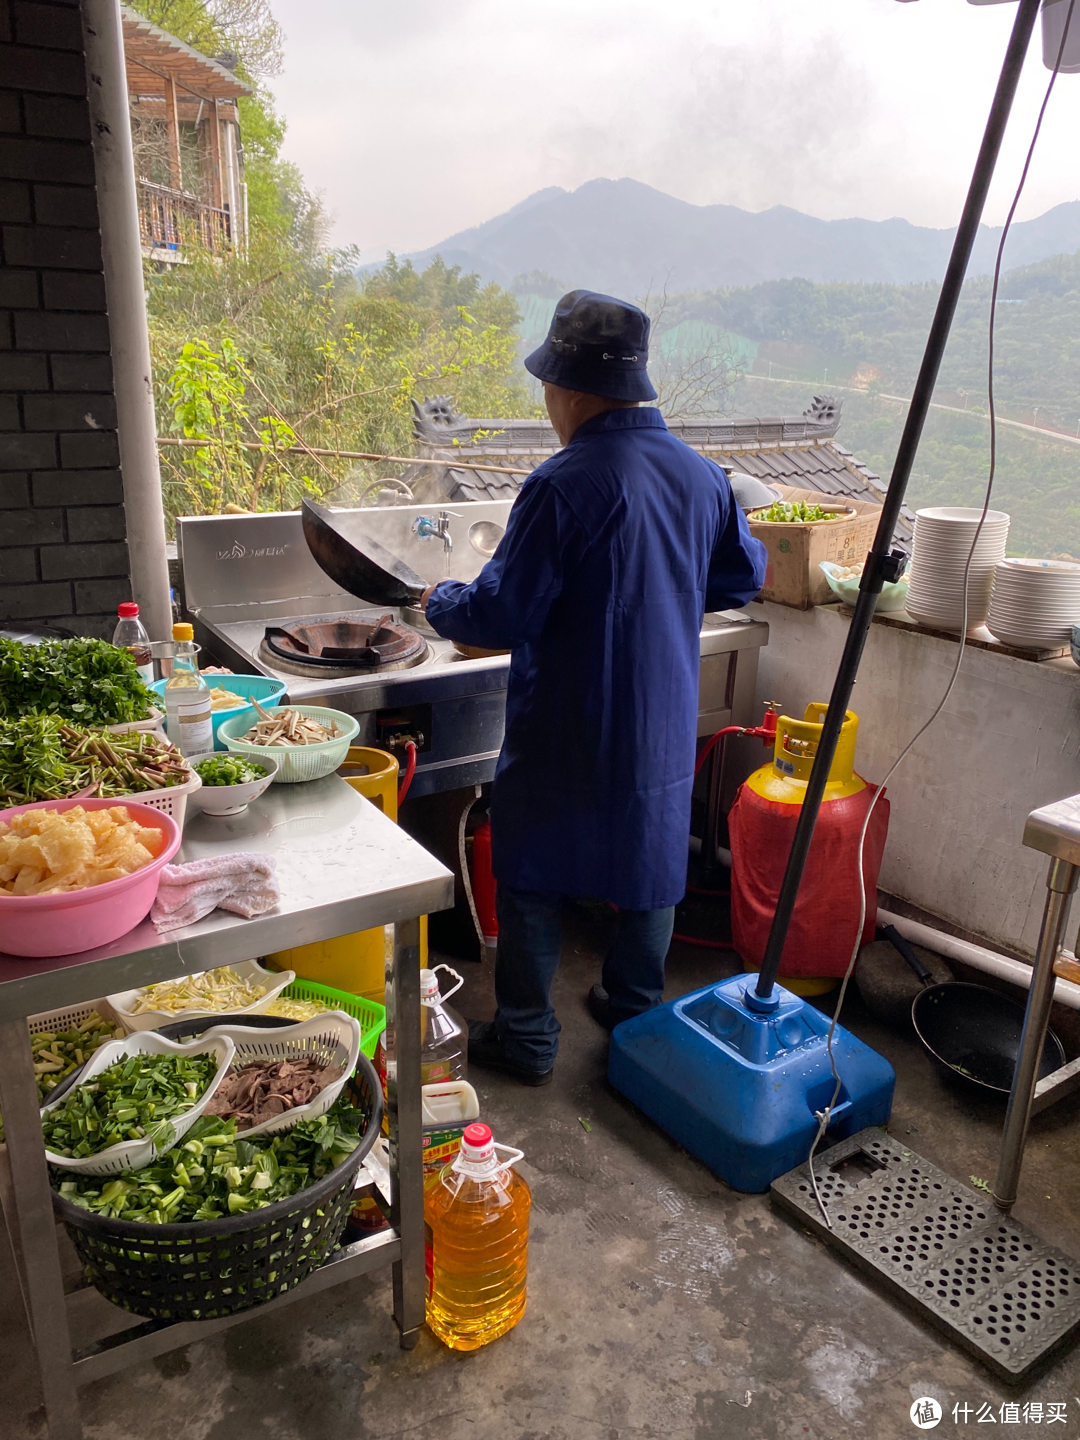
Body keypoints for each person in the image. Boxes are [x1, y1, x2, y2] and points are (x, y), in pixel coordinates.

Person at [422, 290, 766, 1086]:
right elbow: (742, 576)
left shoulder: (562, 483)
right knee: (652, 863)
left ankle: (529, 1037)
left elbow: (498, 615)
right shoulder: (701, 475)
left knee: (533, 870)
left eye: (548, 389)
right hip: (660, 714)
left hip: (567, 719)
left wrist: (435, 600)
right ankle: (637, 1012)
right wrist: (664, 586)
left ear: (568, 389)